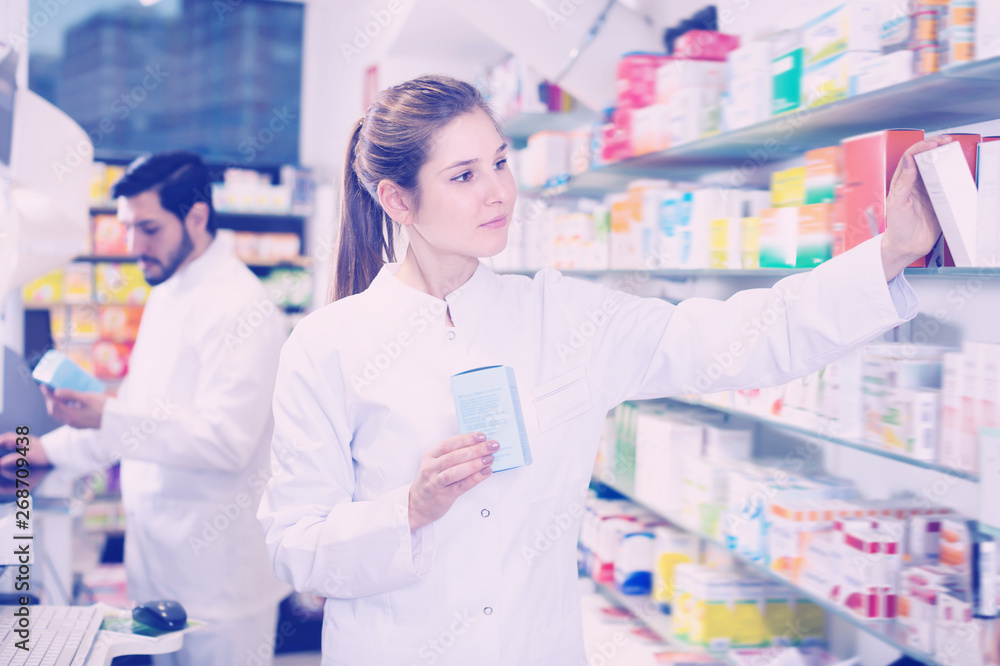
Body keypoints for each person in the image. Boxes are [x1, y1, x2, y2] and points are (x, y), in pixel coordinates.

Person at [256, 75, 946, 666]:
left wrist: (891, 251)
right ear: (398, 201)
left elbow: (733, 337)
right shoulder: (328, 346)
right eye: (464, 177)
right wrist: (411, 509)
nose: (497, 191)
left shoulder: (561, 316)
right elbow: (296, 547)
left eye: (500, 162)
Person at [0, 152, 290, 665]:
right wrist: (45, 448)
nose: (134, 247)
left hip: (219, 582)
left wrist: (107, 416)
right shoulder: (167, 291)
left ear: (196, 216)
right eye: (128, 227)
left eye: (149, 229)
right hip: (159, 565)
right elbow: (137, 416)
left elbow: (226, 441)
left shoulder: (242, 307)